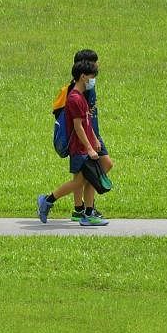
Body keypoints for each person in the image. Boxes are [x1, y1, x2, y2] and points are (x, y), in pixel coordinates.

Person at [37, 60, 109, 226]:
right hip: (80, 149)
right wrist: (90, 148)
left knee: (91, 179)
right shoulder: (75, 99)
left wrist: (94, 139)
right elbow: (78, 127)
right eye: (92, 77)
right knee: (78, 182)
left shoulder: (81, 97)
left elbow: (87, 123)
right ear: (83, 77)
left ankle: (88, 214)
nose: (93, 80)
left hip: (86, 147)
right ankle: (47, 200)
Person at [51, 49, 114, 221]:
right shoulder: (79, 90)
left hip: (92, 134)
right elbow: (79, 121)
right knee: (89, 173)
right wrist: (90, 141)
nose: (98, 66)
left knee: (85, 175)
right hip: (84, 137)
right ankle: (83, 208)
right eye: (95, 63)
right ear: (84, 70)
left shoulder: (87, 85)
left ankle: (82, 208)